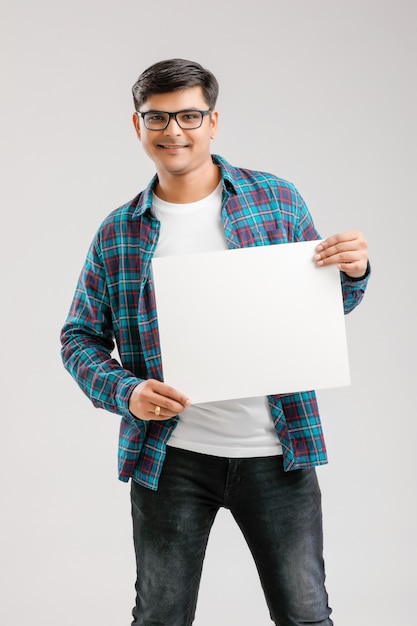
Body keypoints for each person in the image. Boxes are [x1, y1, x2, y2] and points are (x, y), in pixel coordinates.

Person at [60, 58, 370, 626]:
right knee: (160, 618)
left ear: (213, 121)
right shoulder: (118, 231)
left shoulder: (276, 200)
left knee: (306, 615)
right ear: (138, 126)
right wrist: (125, 391)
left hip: (277, 452)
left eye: (188, 115)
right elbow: (77, 338)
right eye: (157, 117)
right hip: (171, 457)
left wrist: (351, 272)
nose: (173, 130)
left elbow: (328, 308)